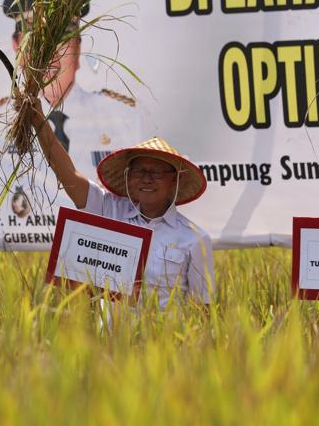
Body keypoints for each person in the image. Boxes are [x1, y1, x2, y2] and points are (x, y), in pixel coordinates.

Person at [0, 0, 150, 248]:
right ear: (16, 46)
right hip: (23, 261)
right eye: (35, 38)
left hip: (101, 256)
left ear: (78, 46)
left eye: (60, 38)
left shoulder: (122, 117)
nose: (49, 53)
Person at [31, 104, 214, 309]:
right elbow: (69, 176)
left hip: (166, 340)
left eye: (156, 173)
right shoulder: (109, 210)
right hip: (111, 339)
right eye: (139, 172)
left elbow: (203, 310)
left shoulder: (195, 239)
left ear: (174, 180)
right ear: (128, 176)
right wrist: (38, 120)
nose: (146, 179)